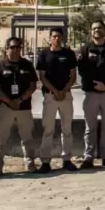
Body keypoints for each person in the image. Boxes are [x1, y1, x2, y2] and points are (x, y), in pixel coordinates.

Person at [0, 37, 40, 176]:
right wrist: (8, 101)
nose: (16, 50)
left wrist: (20, 99)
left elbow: (32, 85)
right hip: (5, 107)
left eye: (18, 47)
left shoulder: (27, 65)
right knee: (1, 138)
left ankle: (30, 163)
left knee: (27, 137)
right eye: (12, 47)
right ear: (6, 49)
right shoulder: (0, 66)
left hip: (23, 106)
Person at [78, 19, 105, 169]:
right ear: (91, 31)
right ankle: (88, 157)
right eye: (94, 28)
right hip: (91, 93)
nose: (97, 30)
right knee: (90, 127)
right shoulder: (84, 49)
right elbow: (82, 71)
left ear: (104, 30)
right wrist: (95, 85)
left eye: (99, 28)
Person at [37, 28, 78, 173]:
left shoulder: (69, 54)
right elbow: (42, 76)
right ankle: (45, 161)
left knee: (67, 129)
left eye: (59, 36)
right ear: (50, 38)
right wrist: (55, 91)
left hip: (66, 96)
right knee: (48, 129)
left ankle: (67, 159)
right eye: (54, 36)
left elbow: (73, 76)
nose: (57, 39)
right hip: (50, 96)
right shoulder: (44, 54)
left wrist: (64, 90)